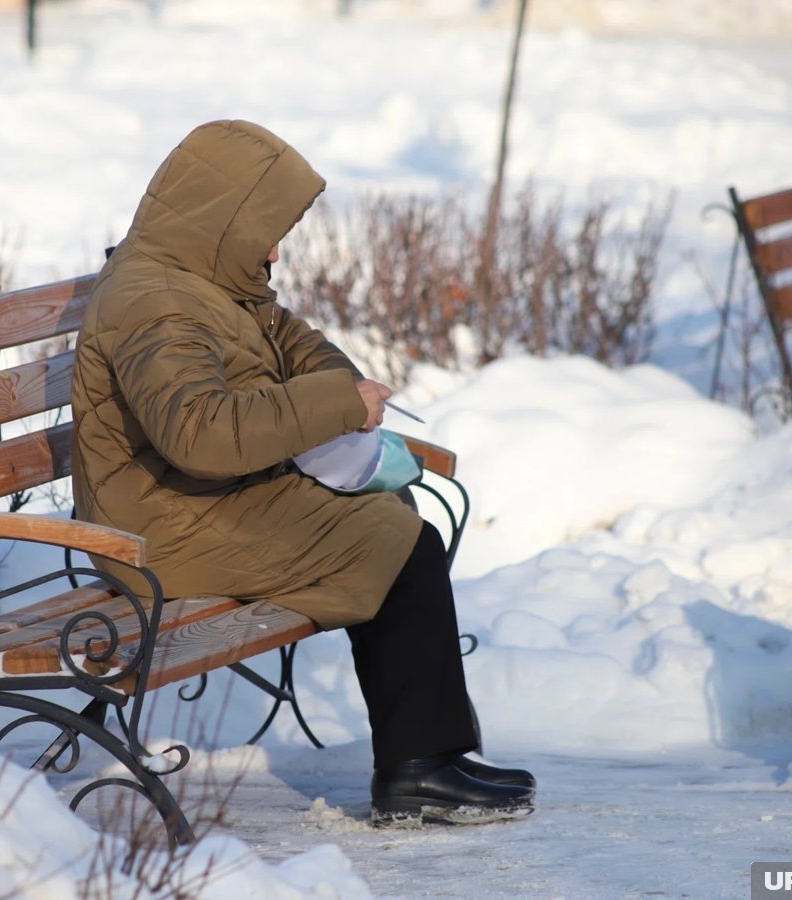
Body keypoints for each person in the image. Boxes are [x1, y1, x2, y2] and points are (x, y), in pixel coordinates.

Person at [70, 119, 535, 826]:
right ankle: (419, 768)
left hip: (205, 502)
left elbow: (299, 346)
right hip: (157, 529)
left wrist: (339, 400)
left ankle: (428, 757)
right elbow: (199, 432)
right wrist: (333, 405)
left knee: (392, 521)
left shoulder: (212, 278)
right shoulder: (153, 302)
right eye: (266, 228)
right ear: (221, 218)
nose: (277, 250)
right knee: (391, 538)